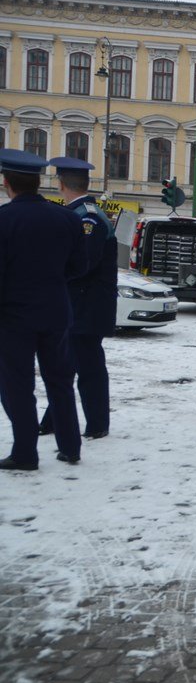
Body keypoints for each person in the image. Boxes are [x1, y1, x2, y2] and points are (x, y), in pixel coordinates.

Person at [0, 149, 88, 471]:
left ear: (7, 182)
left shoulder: (4, 220)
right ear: (39, 182)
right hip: (55, 311)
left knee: (17, 386)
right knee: (60, 381)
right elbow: (80, 267)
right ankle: (70, 447)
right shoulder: (67, 218)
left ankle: (25, 453)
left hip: (13, 318)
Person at [37, 157, 117, 441]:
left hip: (86, 306)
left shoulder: (88, 217)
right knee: (67, 364)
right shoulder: (79, 213)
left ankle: (97, 423)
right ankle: (53, 420)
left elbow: (84, 263)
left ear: (60, 184)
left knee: (88, 367)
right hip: (80, 305)